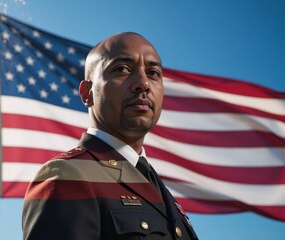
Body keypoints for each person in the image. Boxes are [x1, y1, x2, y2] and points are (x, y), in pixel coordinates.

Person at [22, 32, 198, 240]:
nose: (143, 83)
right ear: (87, 93)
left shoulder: (164, 195)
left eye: (153, 73)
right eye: (122, 69)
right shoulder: (67, 175)